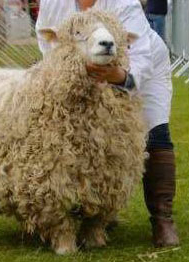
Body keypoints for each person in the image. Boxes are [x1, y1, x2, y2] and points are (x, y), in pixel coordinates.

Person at [36, 0, 179, 247]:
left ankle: (162, 220)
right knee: (80, 137)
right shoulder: (54, 1)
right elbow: (48, 39)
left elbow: (141, 52)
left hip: (136, 65)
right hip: (80, 70)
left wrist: (121, 77)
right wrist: (65, 70)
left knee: (155, 131)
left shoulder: (124, 3)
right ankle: (96, 211)